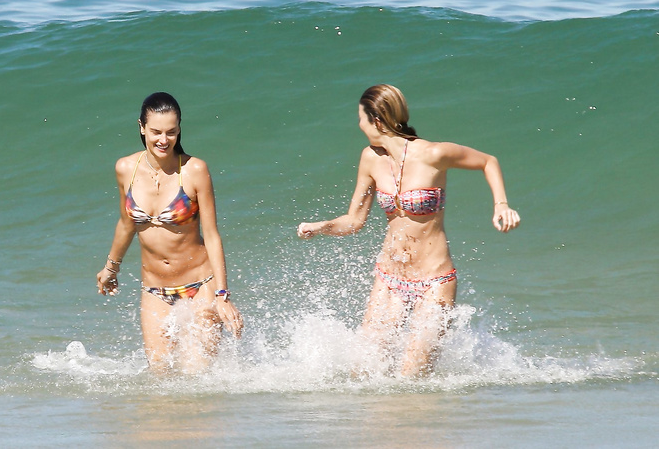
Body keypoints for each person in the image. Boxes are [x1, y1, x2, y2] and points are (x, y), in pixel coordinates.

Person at [297, 84, 520, 378]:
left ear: (377, 121)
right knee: (362, 373)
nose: (359, 125)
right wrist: (321, 227)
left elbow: (488, 161)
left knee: (412, 378)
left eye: (361, 118)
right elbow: (354, 220)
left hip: (434, 279)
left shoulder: (433, 153)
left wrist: (501, 205)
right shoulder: (370, 158)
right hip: (389, 278)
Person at [96, 92, 243, 374]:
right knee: (160, 378)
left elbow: (212, 235)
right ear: (141, 127)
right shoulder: (125, 168)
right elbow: (127, 223)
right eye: (156, 132)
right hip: (154, 290)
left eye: (171, 132)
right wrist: (110, 268)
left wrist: (222, 295)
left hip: (200, 285)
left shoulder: (194, 170)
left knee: (198, 375)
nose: (164, 140)